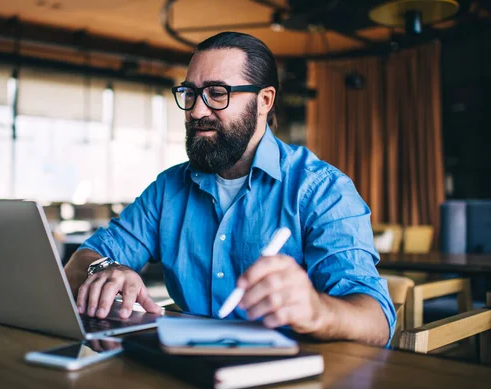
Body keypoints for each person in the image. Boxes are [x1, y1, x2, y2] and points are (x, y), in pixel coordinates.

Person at [65, 32, 395, 346]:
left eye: (218, 93)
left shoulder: (322, 190)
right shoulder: (167, 189)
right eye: (190, 93)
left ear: (264, 100)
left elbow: (377, 321)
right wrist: (106, 269)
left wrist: (317, 310)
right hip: (182, 369)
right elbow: (79, 263)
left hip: (289, 373)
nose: (196, 110)